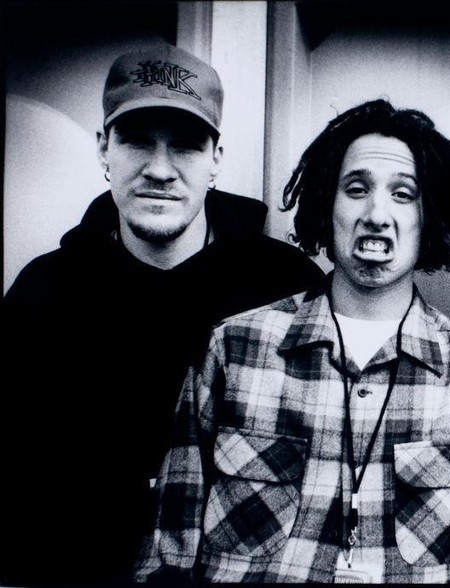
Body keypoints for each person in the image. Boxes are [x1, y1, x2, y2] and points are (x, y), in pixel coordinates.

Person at [135, 98, 450, 583]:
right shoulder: (235, 349)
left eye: (403, 194)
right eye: (356, 189)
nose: (376, 214)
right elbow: (168, 555)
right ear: (326, 205)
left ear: (431, 216)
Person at [0, 45, 323, 585]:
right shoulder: (44, 293)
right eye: (136, 141)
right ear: (104, 148)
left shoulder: (284, 286)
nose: (159, 169)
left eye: (187, 146)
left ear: (217, 157)